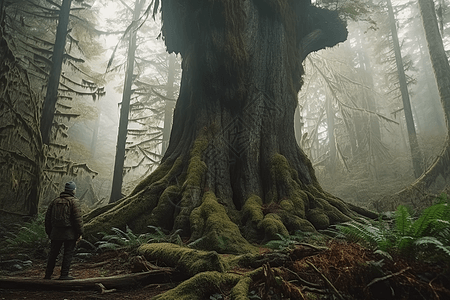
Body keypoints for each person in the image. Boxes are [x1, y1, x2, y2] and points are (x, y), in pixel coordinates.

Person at [44, 181, 84, 280]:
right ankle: (64, 274)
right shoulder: (74, 201)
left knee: (53, 253)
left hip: (55, 233)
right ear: (73, 190)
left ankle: (48, 274)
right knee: (68, 253)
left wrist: (50, 232)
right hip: (69, 234)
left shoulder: (55, 201)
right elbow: (77, 219)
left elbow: (47, 219)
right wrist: (80, 232)